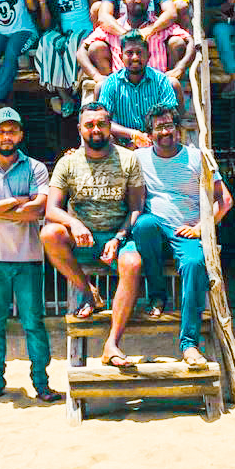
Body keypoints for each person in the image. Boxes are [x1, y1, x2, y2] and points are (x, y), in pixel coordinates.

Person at [0, 107, 63, 404]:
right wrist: (17, 201)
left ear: (21, 134)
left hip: (28, 257)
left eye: (12, 131)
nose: (7, 136)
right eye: (1, 131)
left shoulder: (35, 168)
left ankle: (41, 383)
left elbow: (38, 209)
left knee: (34, 323)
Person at [40, 103, 147, 367]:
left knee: (133, 263)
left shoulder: (128, 159)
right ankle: (88, 291)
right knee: (50, 233)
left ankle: (112, 344)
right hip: (82, 240)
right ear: (80, 129)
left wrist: (119, 237)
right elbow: (51, 209)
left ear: (110, 127)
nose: (95, 129)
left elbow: (136, 208)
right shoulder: (68, 163)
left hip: (116, 237)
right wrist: (74, 224)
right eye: (89, 125)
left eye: (101, 124)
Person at [132, 104, 234, 367]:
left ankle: (189, 343)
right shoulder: (140, 159)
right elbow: (107, 152)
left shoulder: (197, 158)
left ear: (178, 129)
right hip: (156, 230)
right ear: (150, 133)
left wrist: (201, 226)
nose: (165, 131)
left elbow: (224, 201)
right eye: (159, 127)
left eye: (169, 126)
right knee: (142, 225)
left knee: (195, 264)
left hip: (188, 231)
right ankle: (157, 294)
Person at [79, 0, 194, 82]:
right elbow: (81, 51)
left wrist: (180, 67)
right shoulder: (113, 28)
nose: (138, 0)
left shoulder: (159, 26)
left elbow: (190, 41)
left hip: (156, 90)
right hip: (122, 93)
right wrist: (96, 75)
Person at [31, 0, 100, 116]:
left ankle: (73, 89)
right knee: (46, 41)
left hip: (85, 29)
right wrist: (42, 1)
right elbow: (46, 25)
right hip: (62, 31)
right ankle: (64, 95)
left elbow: (95, 6)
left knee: (73, 42)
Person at [97, 31, 183, 146]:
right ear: (120, 56)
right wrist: (133, 134)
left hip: (156, 142)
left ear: (148, 56)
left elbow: (169, 118)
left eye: (139, 52)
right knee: (106, 138)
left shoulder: (161, 81)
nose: (135, 58)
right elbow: (103, 121)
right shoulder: (111, 83)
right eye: (129, 53)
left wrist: (148, 138)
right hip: (123, 143)